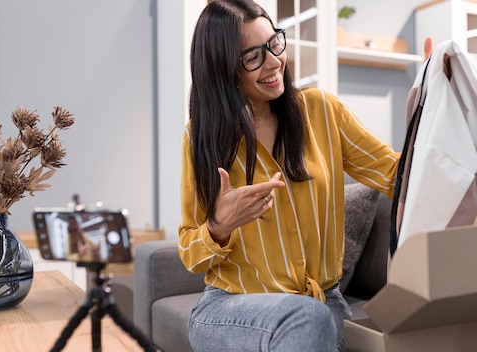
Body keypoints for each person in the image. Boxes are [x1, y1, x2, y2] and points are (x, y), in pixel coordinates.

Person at [177, 1, 433, 350]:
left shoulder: (322, 112)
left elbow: (396, 174)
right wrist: (220, 226)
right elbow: (191, 254)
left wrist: (431, 99)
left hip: (322, 304)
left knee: (313, 317)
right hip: (231, 306)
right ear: (223, 69)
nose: (273, 62)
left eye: (274, 44)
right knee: (306, 317)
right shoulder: (200, 137)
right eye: (252, 57)